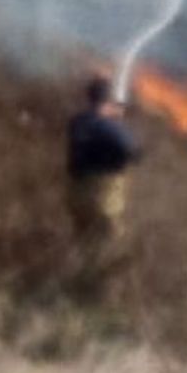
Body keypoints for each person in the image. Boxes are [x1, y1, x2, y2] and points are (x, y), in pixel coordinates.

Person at [66, 74, 140, 250]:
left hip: (77, 197)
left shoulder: (78, 122)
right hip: (103, 200)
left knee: (84, 245)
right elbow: (132, 151)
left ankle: (80, 276)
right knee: (112, 248)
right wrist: (116, 122)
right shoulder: (107, 126)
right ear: (108, 102)